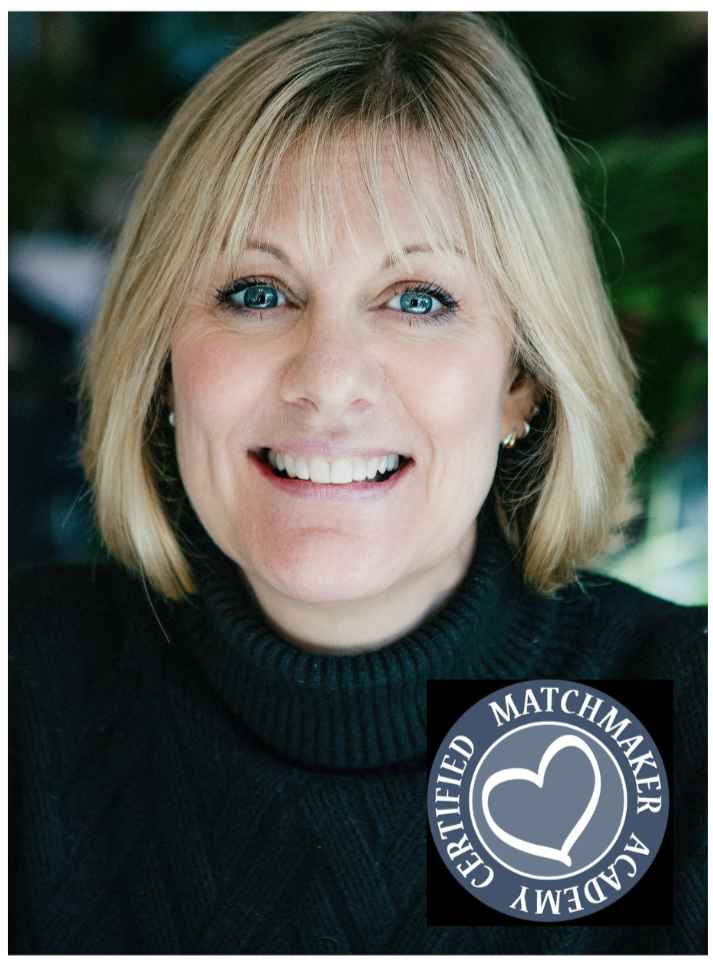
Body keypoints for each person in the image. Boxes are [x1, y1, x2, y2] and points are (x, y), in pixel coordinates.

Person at [8, 10, 704, 957]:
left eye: (419, 300)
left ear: (520, 381)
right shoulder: (30, 686)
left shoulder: (681, 719)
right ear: (163, 360)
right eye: (256, 292)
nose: (327, 378)